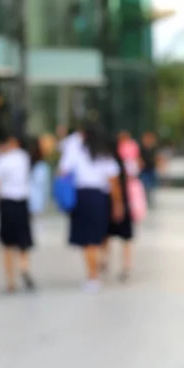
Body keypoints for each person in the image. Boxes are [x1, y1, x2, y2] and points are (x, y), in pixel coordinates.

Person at [59, 124, 124, 293]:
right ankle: (97, 267)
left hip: (83, 197)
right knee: (97, 236)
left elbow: (62, 172)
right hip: (100, 198)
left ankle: (92, 275)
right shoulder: (105, 155)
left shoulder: (76, 152)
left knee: (87, 240)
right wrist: (118, 203)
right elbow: (114, 182)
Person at [0, 133, 35, 293]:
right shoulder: (24, 157)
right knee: (23, 239)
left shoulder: (1, 160)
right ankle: (24, 266)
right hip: (22, 201)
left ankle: (10, 280)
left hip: (7, 202)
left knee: (7, 243)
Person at [101, 139, 134, 282]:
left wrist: (117, 204)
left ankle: (104, 261)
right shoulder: (124, 163)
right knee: (124, 237)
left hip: (111, 202)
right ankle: (125, 265)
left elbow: (113, 186)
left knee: (105, 235)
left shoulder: (107, 163)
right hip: (123, 202)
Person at [28, 138, 51, 215]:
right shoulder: (42, 167)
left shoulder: (26, 163)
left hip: (28, 200)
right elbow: (45, 185)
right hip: (37, 201)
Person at [140, 132, 163, 208]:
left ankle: (149, 200)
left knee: (152, 186)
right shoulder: (142, 149)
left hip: (151, 169)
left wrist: (159, 165)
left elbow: (157, 158)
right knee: (146, 185)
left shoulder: (153, 149)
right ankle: (146, 201)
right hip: (144, 170)